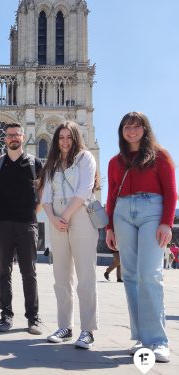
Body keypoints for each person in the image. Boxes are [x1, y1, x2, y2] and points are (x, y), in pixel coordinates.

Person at [106, 112, 176, 363]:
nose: (132, 130)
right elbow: (112, 195)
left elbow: (171, 191)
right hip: (123, 213)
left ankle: (158, 341)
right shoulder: (115, 161)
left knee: (150, 274)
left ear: (145, 130)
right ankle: (141, 338)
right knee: (131, 276)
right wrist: (109, 227)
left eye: (136, 126)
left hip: (151, 211)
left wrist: (167, 223)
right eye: (127, 126)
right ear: (121, 130)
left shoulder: (160, 155)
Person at [38, 122, 99, 349]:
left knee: (86, 275)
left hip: (81, 213)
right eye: (61, 137)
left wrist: (64, 215)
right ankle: (65, 326)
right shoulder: (51, 163)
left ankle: (88, 330)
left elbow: (85, 190)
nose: (64, 141)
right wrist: (54, 219)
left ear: (76, 139)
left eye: (69, 137)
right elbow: (45, 197)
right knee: (61, 277)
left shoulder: (85, 158)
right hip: (57, 218)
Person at [0, 122, 43, 335]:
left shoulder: (34, 163)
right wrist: (0, 213)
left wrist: (32, 213)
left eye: (16, 135)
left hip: (28, 223)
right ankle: (6, 316)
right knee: (3, 271)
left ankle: (33, 318)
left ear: (23, 136)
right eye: (9, 135)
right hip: (4, 224)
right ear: (4, 139)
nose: (13, 138)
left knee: (29, 272)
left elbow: (42, 194)